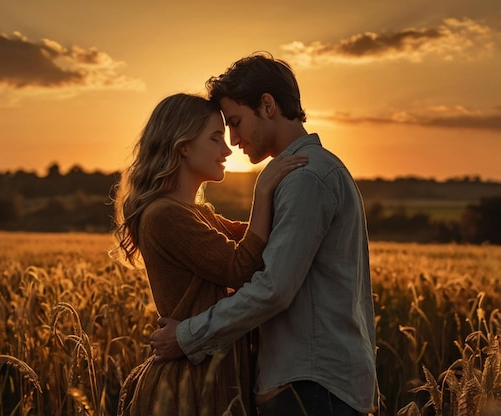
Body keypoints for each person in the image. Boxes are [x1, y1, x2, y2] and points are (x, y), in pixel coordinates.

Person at [150, 53, 377, 416]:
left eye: (236, 123)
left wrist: (187, 336)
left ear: (267, 106)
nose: (233, 139)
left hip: (311, 386)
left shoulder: (306, 178)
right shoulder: (304, 175)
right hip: (311, 384)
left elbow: (274, 288)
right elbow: (246, 248)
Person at [112, 92, 308, 415]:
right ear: (183, 146)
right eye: (216, 138)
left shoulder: (198, 214)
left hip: (212, 383)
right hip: (188, 390)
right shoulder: (165, 215)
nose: (227, 149)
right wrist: (262, 190)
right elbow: (240, 265)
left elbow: (255, 237)